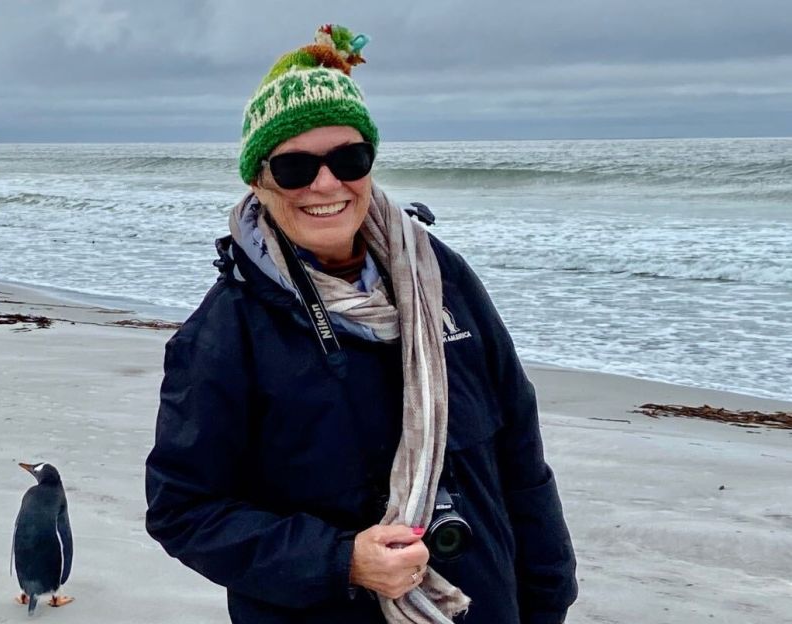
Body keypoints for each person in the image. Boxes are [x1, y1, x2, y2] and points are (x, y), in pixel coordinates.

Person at [145, 24, 577, 624]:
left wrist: (549, 598)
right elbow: (183, 510)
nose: (326, 184)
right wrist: (341, 559)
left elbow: (521, 460)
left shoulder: (442, 279)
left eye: (348, 158)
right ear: (259, 180)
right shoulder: (223, 335)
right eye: (294, 167)